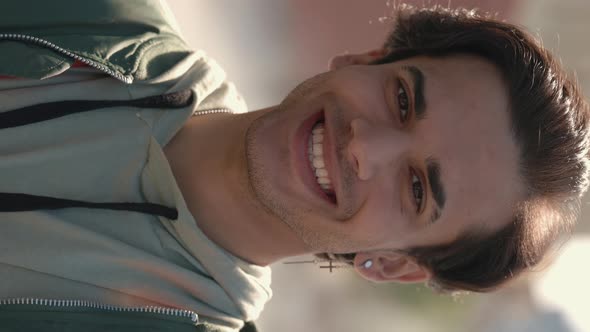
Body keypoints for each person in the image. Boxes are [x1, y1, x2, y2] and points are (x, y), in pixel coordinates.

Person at [0, 1, 588, 332]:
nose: (364, 148)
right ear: (367, 58)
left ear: (394, 264)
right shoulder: (95, 15)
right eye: (402, 100)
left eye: (415, 188)